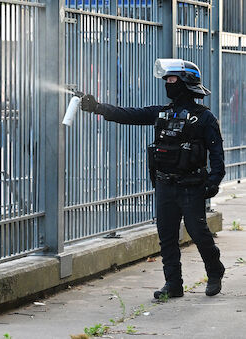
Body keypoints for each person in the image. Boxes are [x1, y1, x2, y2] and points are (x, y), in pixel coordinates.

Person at [80, 59, 225, 298]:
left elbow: (216, 152)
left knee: (198, 232)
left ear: (185, 82)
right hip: (165, 184)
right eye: (166, 80)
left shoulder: (204, 117)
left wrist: (214, 180)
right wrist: (98, 107)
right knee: (166, 235)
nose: (167, 84)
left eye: (171, 79)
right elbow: (130, 115)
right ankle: (173, 284)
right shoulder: (162, 113)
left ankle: (215, 270)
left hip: (191, 186)